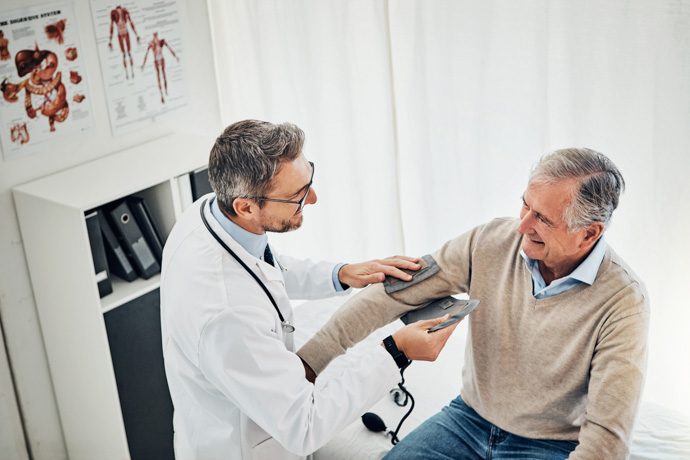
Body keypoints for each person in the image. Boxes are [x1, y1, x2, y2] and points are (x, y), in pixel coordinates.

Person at [297, 148, 650, 459]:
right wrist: (309, 363)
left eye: (542, 218)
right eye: (525, 204)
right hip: (468, 418)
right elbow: (393, 292)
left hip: (552, 445)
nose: (521, 225)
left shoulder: (624, 301)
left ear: (589, 233)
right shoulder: (489, 241)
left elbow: (607, 436)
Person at [160, 120, 459, 460]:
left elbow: (265, 266)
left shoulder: (210, 211)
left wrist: (341, 274)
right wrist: (397, 352)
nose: (313, 198)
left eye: (308, 180)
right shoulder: (227, 315)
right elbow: (304, 426)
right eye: (296, 195)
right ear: (246, 206)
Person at [141, 32, 179, 103]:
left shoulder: (161, 41)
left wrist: (176, 57)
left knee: (164, 76)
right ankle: (162, 95)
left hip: (161, 59)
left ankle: (166, 91)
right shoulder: (151, 43)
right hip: (156, 60)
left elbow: (169, 49)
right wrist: (143, 64)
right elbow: (146, 54)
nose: (155, 35)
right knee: (159, 77)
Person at [108, 5, 139, 79]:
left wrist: (136, 34)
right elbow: (111, 25)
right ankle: (127, 73)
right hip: (120, 34)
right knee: (124, 54)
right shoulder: (113, 12)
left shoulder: (125, 11)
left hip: (126, 32)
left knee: (129, 53)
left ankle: (132, 72)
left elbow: (131, 22)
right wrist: (110, 40)